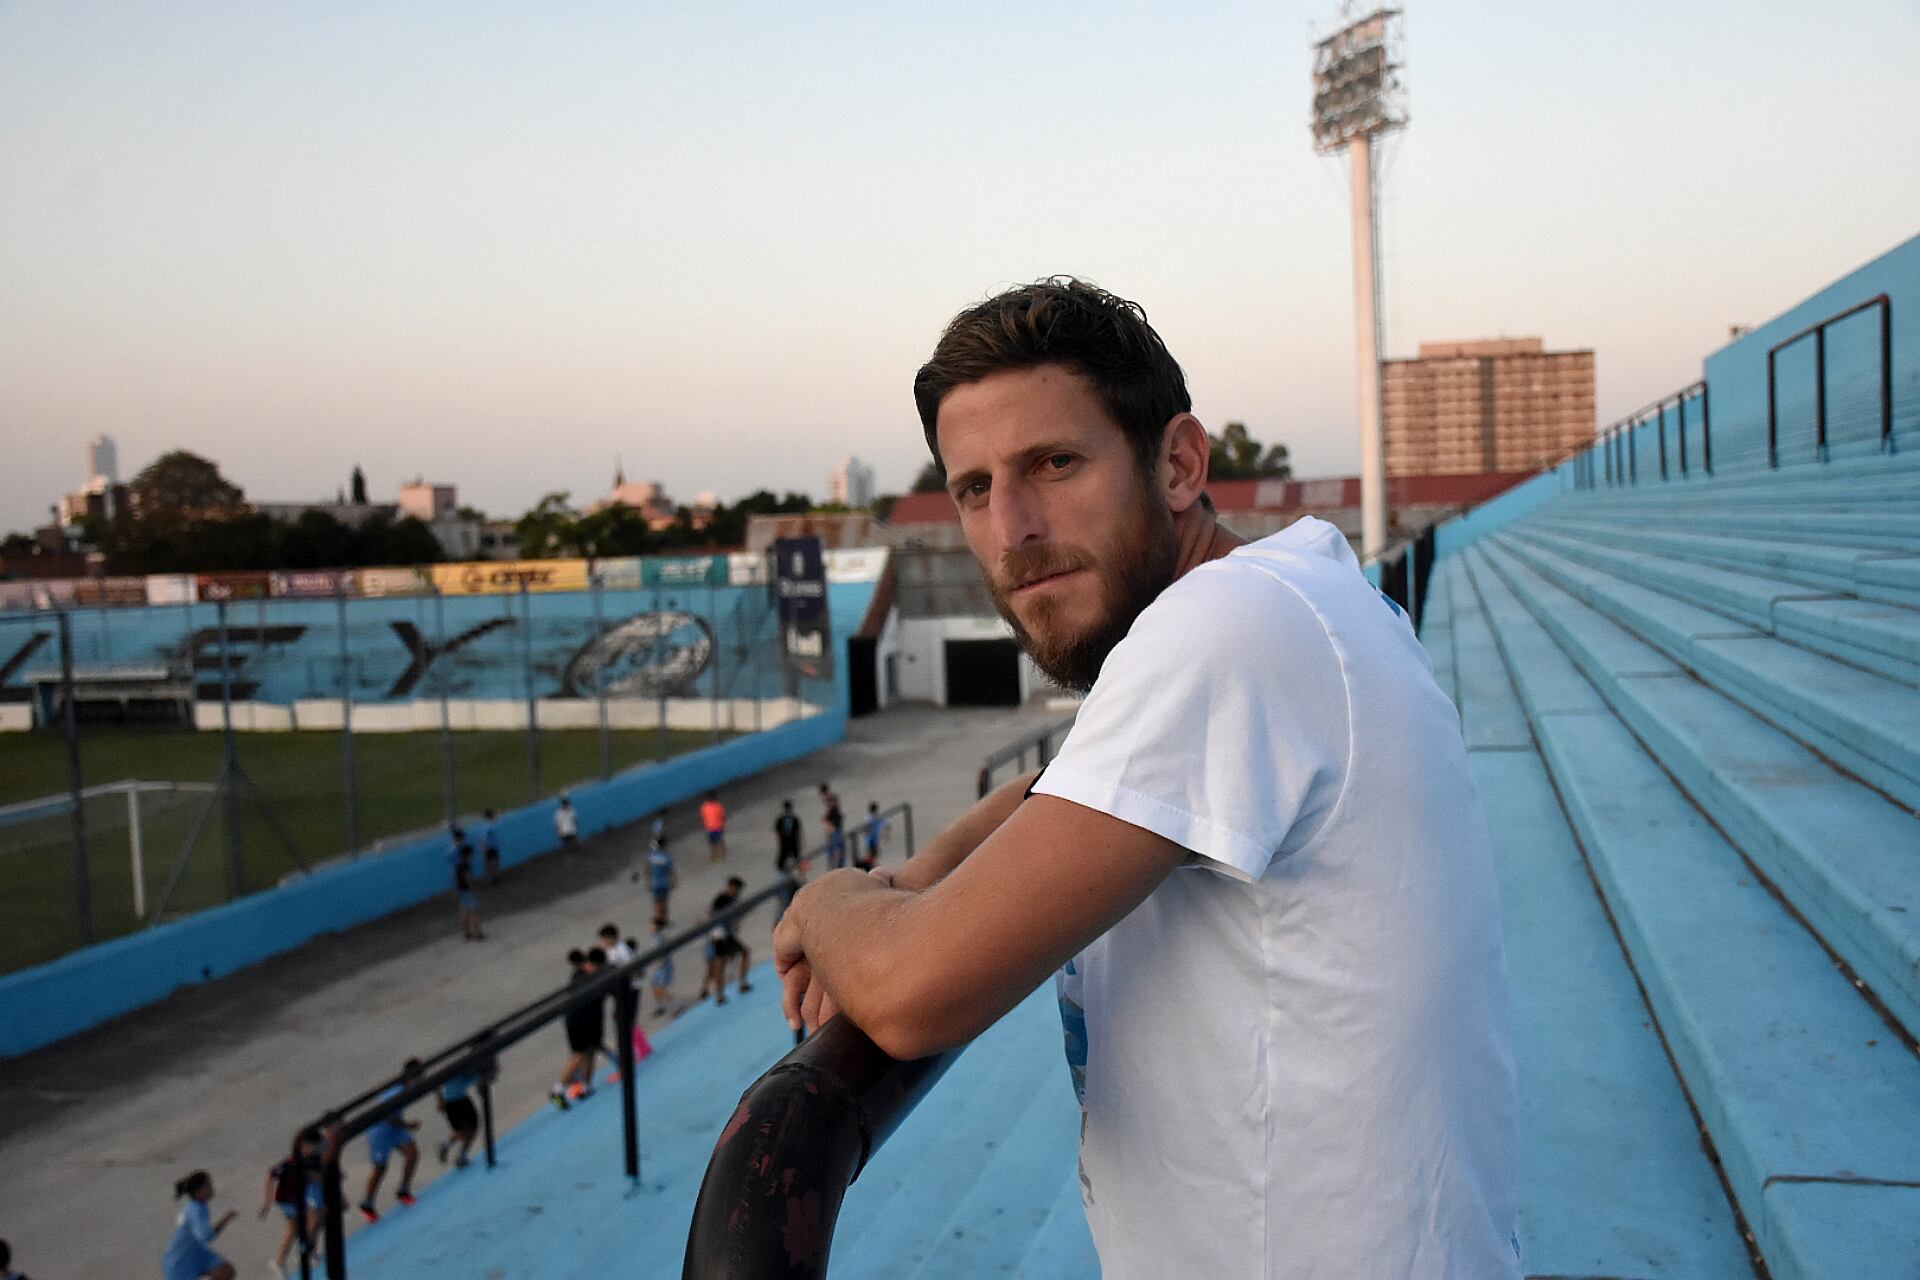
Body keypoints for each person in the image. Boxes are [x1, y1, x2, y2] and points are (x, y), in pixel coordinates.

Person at [771, 278, 1520, 1279]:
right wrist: (912, 878)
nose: (1012, 527)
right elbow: (1061, 786)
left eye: (1054, 463)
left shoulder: (1223, 628)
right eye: (975, 488)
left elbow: (910, 994)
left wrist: (826, 899)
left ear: (1177, 463)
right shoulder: (1289, 596)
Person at [359, 1059, 423, 1222]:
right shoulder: (397, 1092)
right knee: (380, 1167)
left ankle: (403, 1190)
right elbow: (388, 1115)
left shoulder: (404, 1086)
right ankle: (367, 1203)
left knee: (412, 1154)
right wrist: (409, 1125)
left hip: (394, 1126)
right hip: (380, 1129)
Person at [260, 1129, 324, 1279]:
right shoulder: (290, 1163)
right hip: (287, 1200)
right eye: (316, 1146)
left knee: (313, 1221)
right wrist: (266, 1202)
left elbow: (317, 1176)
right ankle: (283, 1261)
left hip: (300, 1198)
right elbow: (271, 1175)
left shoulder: (314, 1160)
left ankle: (307, 1251)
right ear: (305, 1146)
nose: (319, 1149)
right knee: (299, 1226)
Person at [552, 948, 605, 1108]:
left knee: (588, 1053)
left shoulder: (583, 974)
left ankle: (585, 1086)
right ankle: (558, 1090)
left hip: (586, 1021)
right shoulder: (585, 978)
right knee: (579, 1054)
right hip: (578, 1022)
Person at [163, 1171, 235, 1280]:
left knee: (226, 1272)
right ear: (199, 1191)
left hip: (196, 1252)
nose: (212, 1188)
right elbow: (206, 1235)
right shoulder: (196, 1210)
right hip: (180, 1261)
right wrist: (227, 1218)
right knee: (225, 1272)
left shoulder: (197, 1205)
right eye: (209, 1185)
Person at [704, 876, 752, 999]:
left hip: (727, 933)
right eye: (737, 888)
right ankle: (723, 992)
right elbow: (712, 915)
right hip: (719, 935)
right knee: (722, 963)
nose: (738, 892)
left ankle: (731, 988)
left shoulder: (733, 899)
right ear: (731, 887)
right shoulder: (721, 899)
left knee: (726, 961)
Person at [436, 1065, 486, 1169]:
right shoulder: (464, 1070)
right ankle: (460, 1155)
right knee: (471, 1129)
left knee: (464, 1130)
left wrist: (440, 1099)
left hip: (452, 1101)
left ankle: (448, 1146)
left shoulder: (461, 1071)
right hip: (459, 1101)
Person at [453, 846, 483, 941]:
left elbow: (456, 880)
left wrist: (457, 891)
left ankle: (467, 933)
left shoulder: (458, 866)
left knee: (464, 912)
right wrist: (474, 888)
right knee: (474, 912)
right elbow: (468, 878)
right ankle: (477, 933)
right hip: (468, 891)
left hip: (462, 891)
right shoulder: (466, 865)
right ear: (468, 855)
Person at [646, 836, 677, 925]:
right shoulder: (667, 856)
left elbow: (648, 869)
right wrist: (674, 881)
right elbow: (671, 870)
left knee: (657, 902)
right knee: (664, 902)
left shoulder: (652, 856)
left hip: (655, 883)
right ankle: (664, 919)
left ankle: (659, 919)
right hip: (665, 883)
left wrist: (647, 881)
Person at [646, 923, 675, 1017]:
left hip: (662, 966)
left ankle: (675, 1005)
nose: (650, 927)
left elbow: (662, 953)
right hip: (658, 966)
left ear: (657, 927)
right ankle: (659, 1006)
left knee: (660, 988)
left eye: (652, 925)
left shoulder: (659, 938)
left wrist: (659, 963)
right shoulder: (655, 937)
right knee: (654, 986)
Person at [818, 783, 846, 870]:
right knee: (839, 847)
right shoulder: (834, 797)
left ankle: (834, 868)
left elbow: (830, 810)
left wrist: (826, 821)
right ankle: (839, 866)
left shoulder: (828, 799)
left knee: (835, 849)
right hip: (837, 825)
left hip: (834, 827)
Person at [773, 799, 804, 880]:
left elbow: (777, 833)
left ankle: (783, 877)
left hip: (784, 843)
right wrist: (801, 842)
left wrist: (778, 843)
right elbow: (799, 832)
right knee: (797, 860)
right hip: (793, 842)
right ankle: (800, 877)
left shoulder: (780, 819)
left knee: (781, 862)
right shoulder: (795, 818)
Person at [856, 802, 888, 871]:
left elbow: (862, 828)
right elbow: (884, 825)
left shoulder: (869, 817)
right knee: (873, 853)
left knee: (873, 853)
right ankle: (867, 865)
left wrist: (865, 834)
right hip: (872, 840)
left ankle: (869, 865)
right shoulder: (873, 818)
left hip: (871, 839)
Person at [699, 791, 728, 862]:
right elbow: (723, 816)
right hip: (718, 826)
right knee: (719, 840)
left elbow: (703, 816)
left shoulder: (704, 806)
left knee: (712, 842)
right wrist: (723, 823)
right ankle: (722, 853)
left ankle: (715, 855)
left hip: (710, 827)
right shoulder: (719, 806)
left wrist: (705, 824)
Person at [480, 808, 502, 885]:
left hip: (491, 847)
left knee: (491, 863)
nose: (496, 817)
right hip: (490, 847)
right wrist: (484, 847)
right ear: (490, 816)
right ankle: (493, 878)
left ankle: (493, 877)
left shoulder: (488, 825)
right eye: (494, 815)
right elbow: (484, 838)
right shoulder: (489, 826)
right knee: (492, 863)